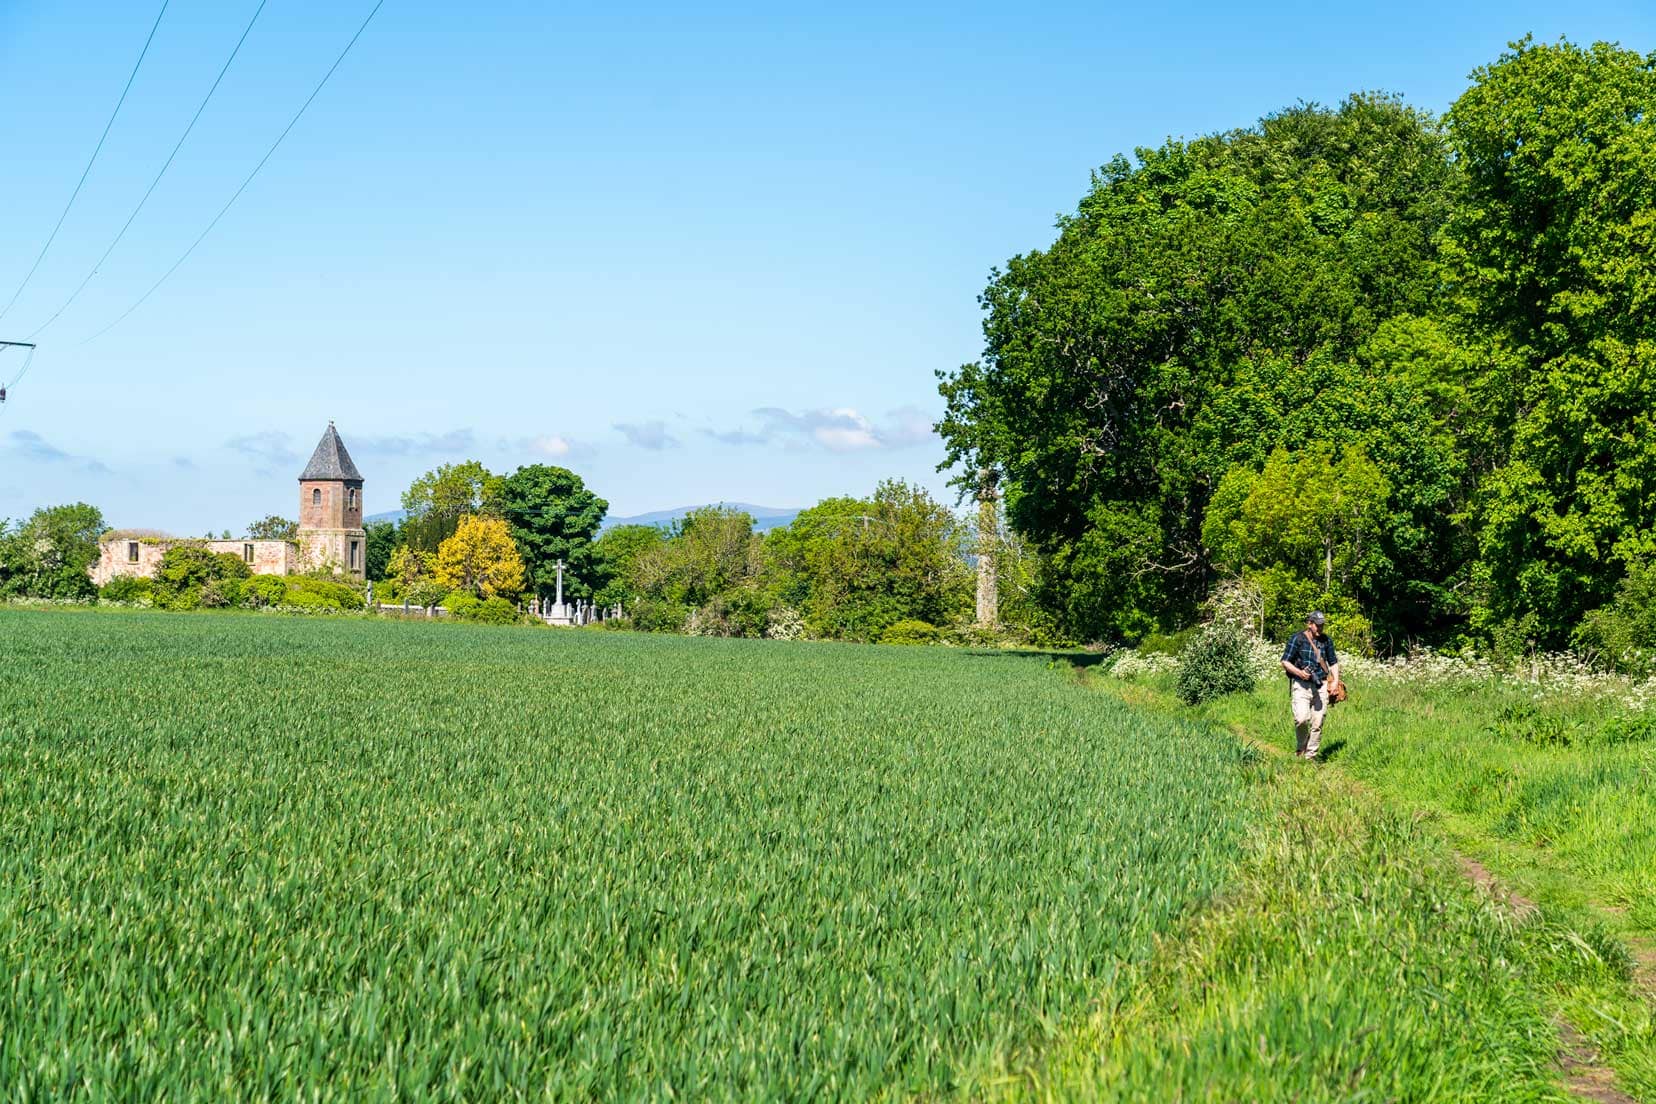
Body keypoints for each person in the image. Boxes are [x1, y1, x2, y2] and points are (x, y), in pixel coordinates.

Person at [1280, 611, 1341, 760]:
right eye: (1317, 625)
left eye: (1322, 625)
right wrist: (1299, 673)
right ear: (1310, 624)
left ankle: (1310, 756)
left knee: (1318, 722)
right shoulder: (1297, 639)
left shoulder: (1326, 641)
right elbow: (1285, 661)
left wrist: (1335, 681)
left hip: (1321, 685)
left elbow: (1333, 662)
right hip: (1301, 685)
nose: (1320, 628)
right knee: (1301, 719)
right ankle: (1301, 747)